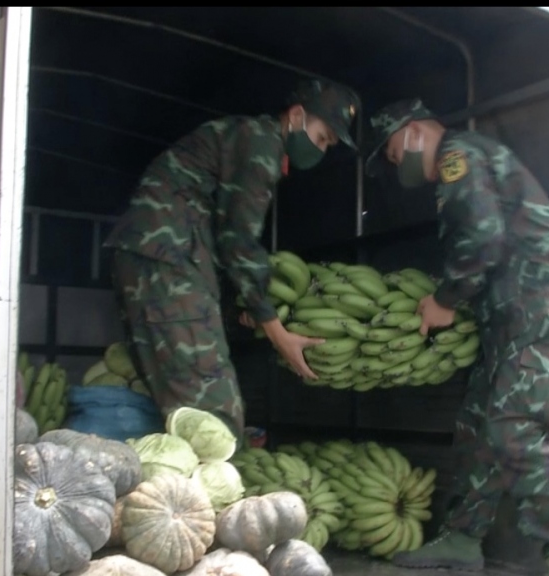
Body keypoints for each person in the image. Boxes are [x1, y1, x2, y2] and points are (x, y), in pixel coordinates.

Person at [363, 98, 549, 576]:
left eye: (390, 152)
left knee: (515, 429)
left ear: (412, 134)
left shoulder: (458, 156)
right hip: (512, 322)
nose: (393, 164)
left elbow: (482, 239)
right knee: (477, 424)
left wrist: (444, 301)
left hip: (545, 313)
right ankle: (463, 537)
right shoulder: (467, 158)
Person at [105, 79, 362, 441]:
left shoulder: (242, 136)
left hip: (150, 256)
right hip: (166, 257)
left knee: (180, 407)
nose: (321, 149)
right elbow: (238, 240)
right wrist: (276, 331)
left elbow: (220, 232)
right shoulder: (263, 142)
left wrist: (239, 308)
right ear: (297, 116)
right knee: (215, 414)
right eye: (322, 137)